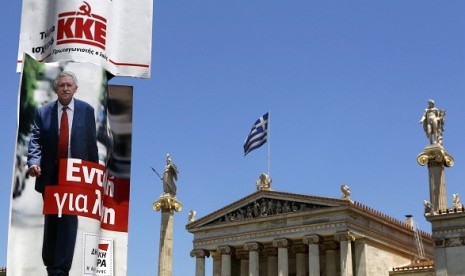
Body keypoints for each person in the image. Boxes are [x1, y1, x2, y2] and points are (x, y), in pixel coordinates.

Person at [27, 71, 99, 276]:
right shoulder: (43, 112)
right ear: (55, 89)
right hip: (50, 172)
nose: (65, 88)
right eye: (61, 85)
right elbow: (35, 141)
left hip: (75, 173)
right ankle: (50, 263)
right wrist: (34, 162)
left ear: (75, 88)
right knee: (51, 216)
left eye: (69, 85)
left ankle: (61, 268)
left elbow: (91, 144)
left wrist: (92, 175)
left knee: (68, 218)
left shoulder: (86, 111)